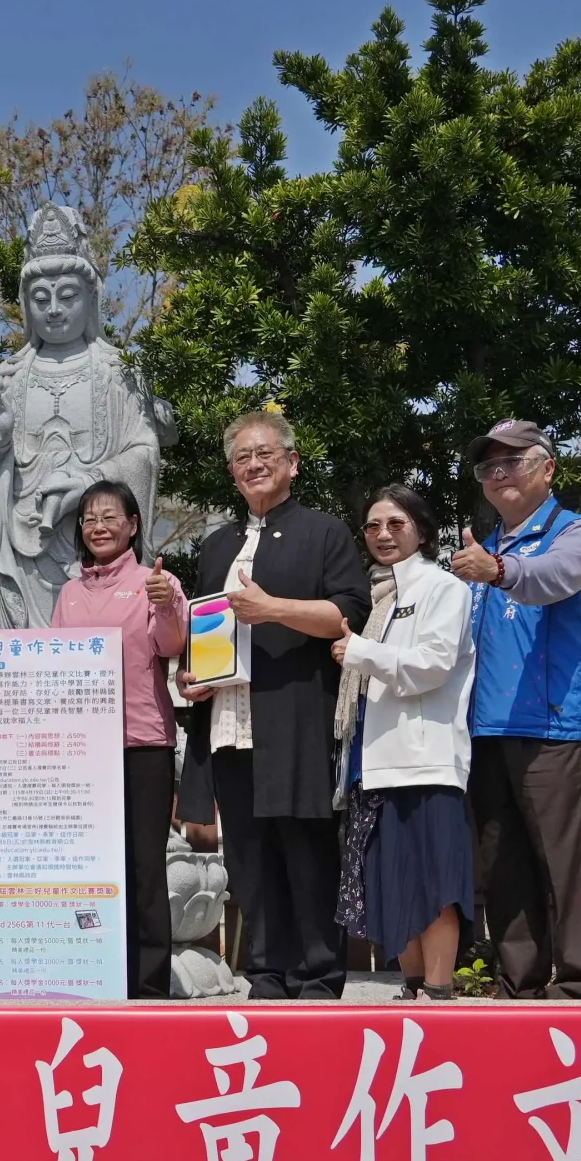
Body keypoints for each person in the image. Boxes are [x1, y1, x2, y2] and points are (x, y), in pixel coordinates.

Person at [177, 412, 372, 1000]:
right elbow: (202, 632)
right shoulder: (217, 545)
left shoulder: (323, 532)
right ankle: (266, 975)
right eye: (242, 457)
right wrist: (191, 677)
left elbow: (348, 614)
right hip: (228, 723)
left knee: (306, 850)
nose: (254, 464)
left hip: (295, 717)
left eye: (265, 453)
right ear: (231, 473)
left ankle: (317, 975)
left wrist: (274, 609)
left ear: (292, 463)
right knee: (249, 854)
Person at [450, 419, 581, 1000]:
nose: (499, 473)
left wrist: (500, 571)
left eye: (513, 461)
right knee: (503, 865)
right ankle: (520, 984)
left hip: (555, 726)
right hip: (485, 728)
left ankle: (579, 985)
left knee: (566, 863)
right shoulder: (483, 547)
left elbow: (556, 577)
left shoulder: (575, 532)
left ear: (549, 468)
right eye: (488, 466)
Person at [331, 486, 478, 999]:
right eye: (373, 526)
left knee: (434, 884)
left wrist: (361, 651)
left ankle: (438, 990)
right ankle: (412, 988)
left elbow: (434, 665)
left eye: (396, 523)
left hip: (426, 759)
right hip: (374, 763)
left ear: (422, 529)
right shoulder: (378, 597)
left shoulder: (443, 587)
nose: (383, 534)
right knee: (392, 881)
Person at [52, 480, 188, 998]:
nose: (99, 527)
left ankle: (149, 987)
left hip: (142, 744)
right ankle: (99, 975)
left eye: (110, 517)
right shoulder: (68, 594)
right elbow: (53, 667)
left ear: (133, 525)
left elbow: (170, 645)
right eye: (89, 519)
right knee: (93, 866)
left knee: (145, 866)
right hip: (83, 754)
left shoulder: (157, 582)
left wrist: (167, 606)